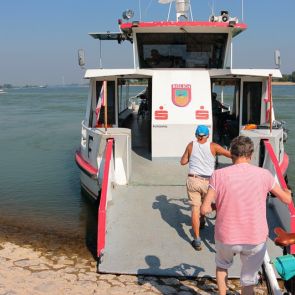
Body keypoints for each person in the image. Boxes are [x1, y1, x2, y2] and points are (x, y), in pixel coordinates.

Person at [200, 136, 292, 295]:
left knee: (222, 266)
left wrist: (216, 206)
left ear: (231, 154)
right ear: (250, 154)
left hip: (227, 236)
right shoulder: (264, 175)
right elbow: (286, 199)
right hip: (255, 238)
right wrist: (288, 193)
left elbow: (204, 209)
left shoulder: (218, 175)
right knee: (248, 280)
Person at [180, 125, 231, 251]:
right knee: (214, 205)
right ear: (208, 135)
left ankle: (197, 240)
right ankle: (219, 236)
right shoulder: (213, 146)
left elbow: (183, 162)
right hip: (209, 182)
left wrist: (190, 155)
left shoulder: (191, 145)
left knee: (195, 209)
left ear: (196, 135)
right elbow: (230, 155)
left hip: (193, 180)